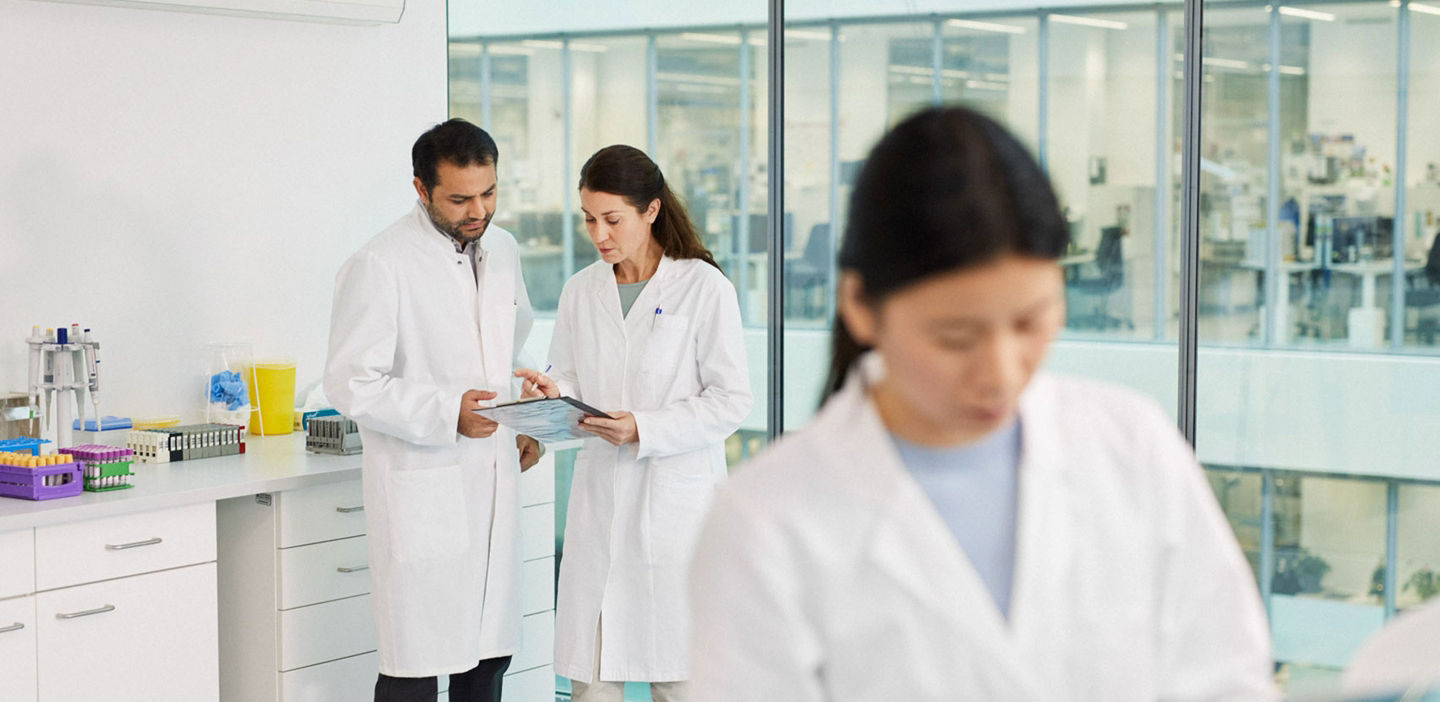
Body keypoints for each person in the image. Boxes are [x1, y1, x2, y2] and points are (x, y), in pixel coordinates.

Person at [686, 107, 1277, 701]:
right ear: (861, 305)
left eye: (1030, 321)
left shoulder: (1132, 447)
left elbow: (1228, 678)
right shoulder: (767, 520)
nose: (999, 373)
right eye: (955, 337)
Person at [519, 144, 752, 702]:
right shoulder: (581, 290)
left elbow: (731, 400)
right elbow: (569, 377)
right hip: (601, 504)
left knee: (682, 680)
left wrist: (644, 428)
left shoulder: (702, 287)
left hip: (673, 510)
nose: (599, 234)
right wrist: (553, 395)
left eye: (612, 220)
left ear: (650, 211)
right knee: (592, 683)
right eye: (589, 220)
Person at [324, 118, 545, 702]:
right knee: (414, 671)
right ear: (421, 190)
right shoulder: (380, 263)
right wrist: (447, 412)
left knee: (488, 663)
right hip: (425, 484)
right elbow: (351, 382)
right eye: (460, 198)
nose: (479, 210)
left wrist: (526, 414)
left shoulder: (504, 250)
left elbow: (508, 348)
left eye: (489, 192)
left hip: (494, 472)